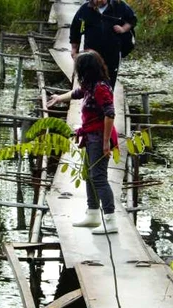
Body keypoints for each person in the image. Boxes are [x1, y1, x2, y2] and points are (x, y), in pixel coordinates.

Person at [46, 51, 119, 234]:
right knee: (89, 175)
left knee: (99, 178)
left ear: (86, 69)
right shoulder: (91, 85)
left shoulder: (101, 88)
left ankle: (110, 220)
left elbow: (110, 114)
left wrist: (105, 143)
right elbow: (78, 93)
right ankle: (93, 213)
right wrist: (59, 98)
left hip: (100, 137)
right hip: (91, 137)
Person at [70, 0, 137, 89]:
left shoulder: (119, 6)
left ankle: (108, 100)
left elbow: (132, 19)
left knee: (109, 82)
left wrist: (123, 29)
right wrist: (74, 49)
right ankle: (90, 101)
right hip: (91, 55)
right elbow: (75, 28)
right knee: (89, 81)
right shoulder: (85, 9)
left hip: (112, 53)